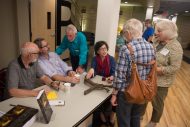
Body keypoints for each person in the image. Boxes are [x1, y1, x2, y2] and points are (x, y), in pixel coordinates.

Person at [111, 18, 155, 127]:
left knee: (123, 120)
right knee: (135, 117)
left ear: (129, 33)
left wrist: (114, 94)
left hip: (127, 91)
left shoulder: (126, 49)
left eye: (125, 34)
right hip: (143, 90)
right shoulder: (151, 47)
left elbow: (120, 75)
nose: (125, 36)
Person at [145, 20, 183, 127]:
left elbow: (174, 68)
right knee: (144, 97)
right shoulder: (157, 40)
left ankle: (153, 121)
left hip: (161, 82)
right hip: (148, 77)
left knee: (157, 103)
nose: (156, 33)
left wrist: (157, 69)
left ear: (168, 32)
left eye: (159, 31)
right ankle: (140, 115)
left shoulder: (175, 47)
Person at [86, 41, 116, 127]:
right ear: (97, 51)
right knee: (96, 99)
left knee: (112, 98)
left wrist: (112, 77)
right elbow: (93, 73)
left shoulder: (111, 59)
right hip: (98, 84)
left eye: (105, 48)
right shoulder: (95, 59)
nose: (104, 51)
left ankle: (110, 116)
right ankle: (102, 115)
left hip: (108, 84)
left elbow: (114, 73)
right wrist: (91, 71)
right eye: (101, 49)